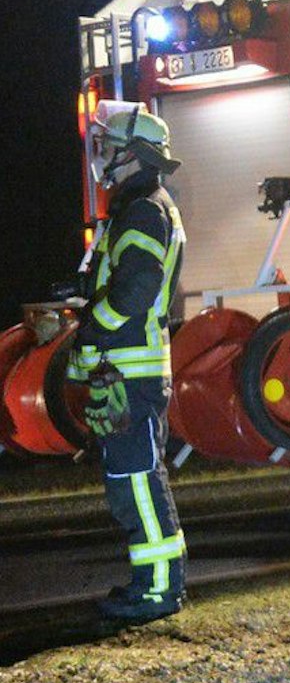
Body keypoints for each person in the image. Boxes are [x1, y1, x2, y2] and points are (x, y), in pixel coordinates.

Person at [70, 100, 187, 625]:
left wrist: (95, 325)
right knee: (134, 478)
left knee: (136, 479)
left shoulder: (143, 210)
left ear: (134, 154)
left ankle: (158, 589)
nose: (102, 156)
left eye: (109, 146)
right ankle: (153, 582)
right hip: (129, 371)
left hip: (132, 372)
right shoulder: (141, 207)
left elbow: (138, 287)